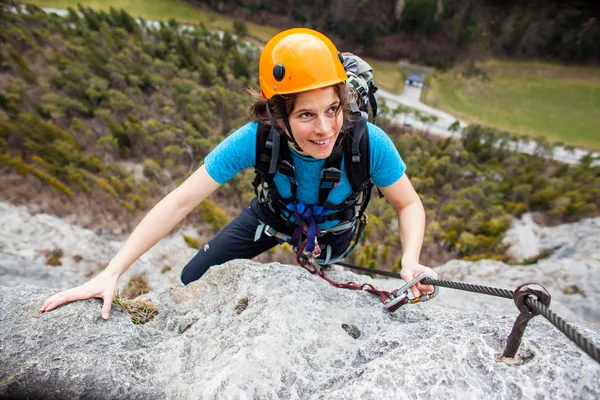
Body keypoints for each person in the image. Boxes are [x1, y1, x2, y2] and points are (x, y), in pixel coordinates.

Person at [40, 28, 435, 320]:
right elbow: (181, 200)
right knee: (191, 277)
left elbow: (408, 203)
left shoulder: (368, 141)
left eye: (332, 109)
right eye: (306, 115)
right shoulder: (256, 138)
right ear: (277, 116)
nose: (326, 129)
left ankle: (317, 260)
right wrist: (111, 272)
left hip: (333, 232)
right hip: (271, 215)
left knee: (321, 277)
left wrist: (410, 259)